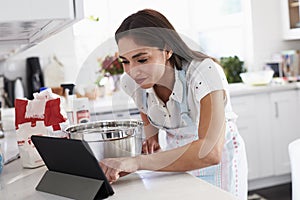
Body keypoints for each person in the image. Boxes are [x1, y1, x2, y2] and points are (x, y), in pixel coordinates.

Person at [99, 9, 248, 200]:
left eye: (142, 59)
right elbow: (144, 107)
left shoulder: (204, 72)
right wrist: (151, 135)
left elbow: (210, 152)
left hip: (219, 164)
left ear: (167, 49)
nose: (133, 71)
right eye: (125, 61)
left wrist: (137, 162)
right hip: (175, 160)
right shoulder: (131, 82)